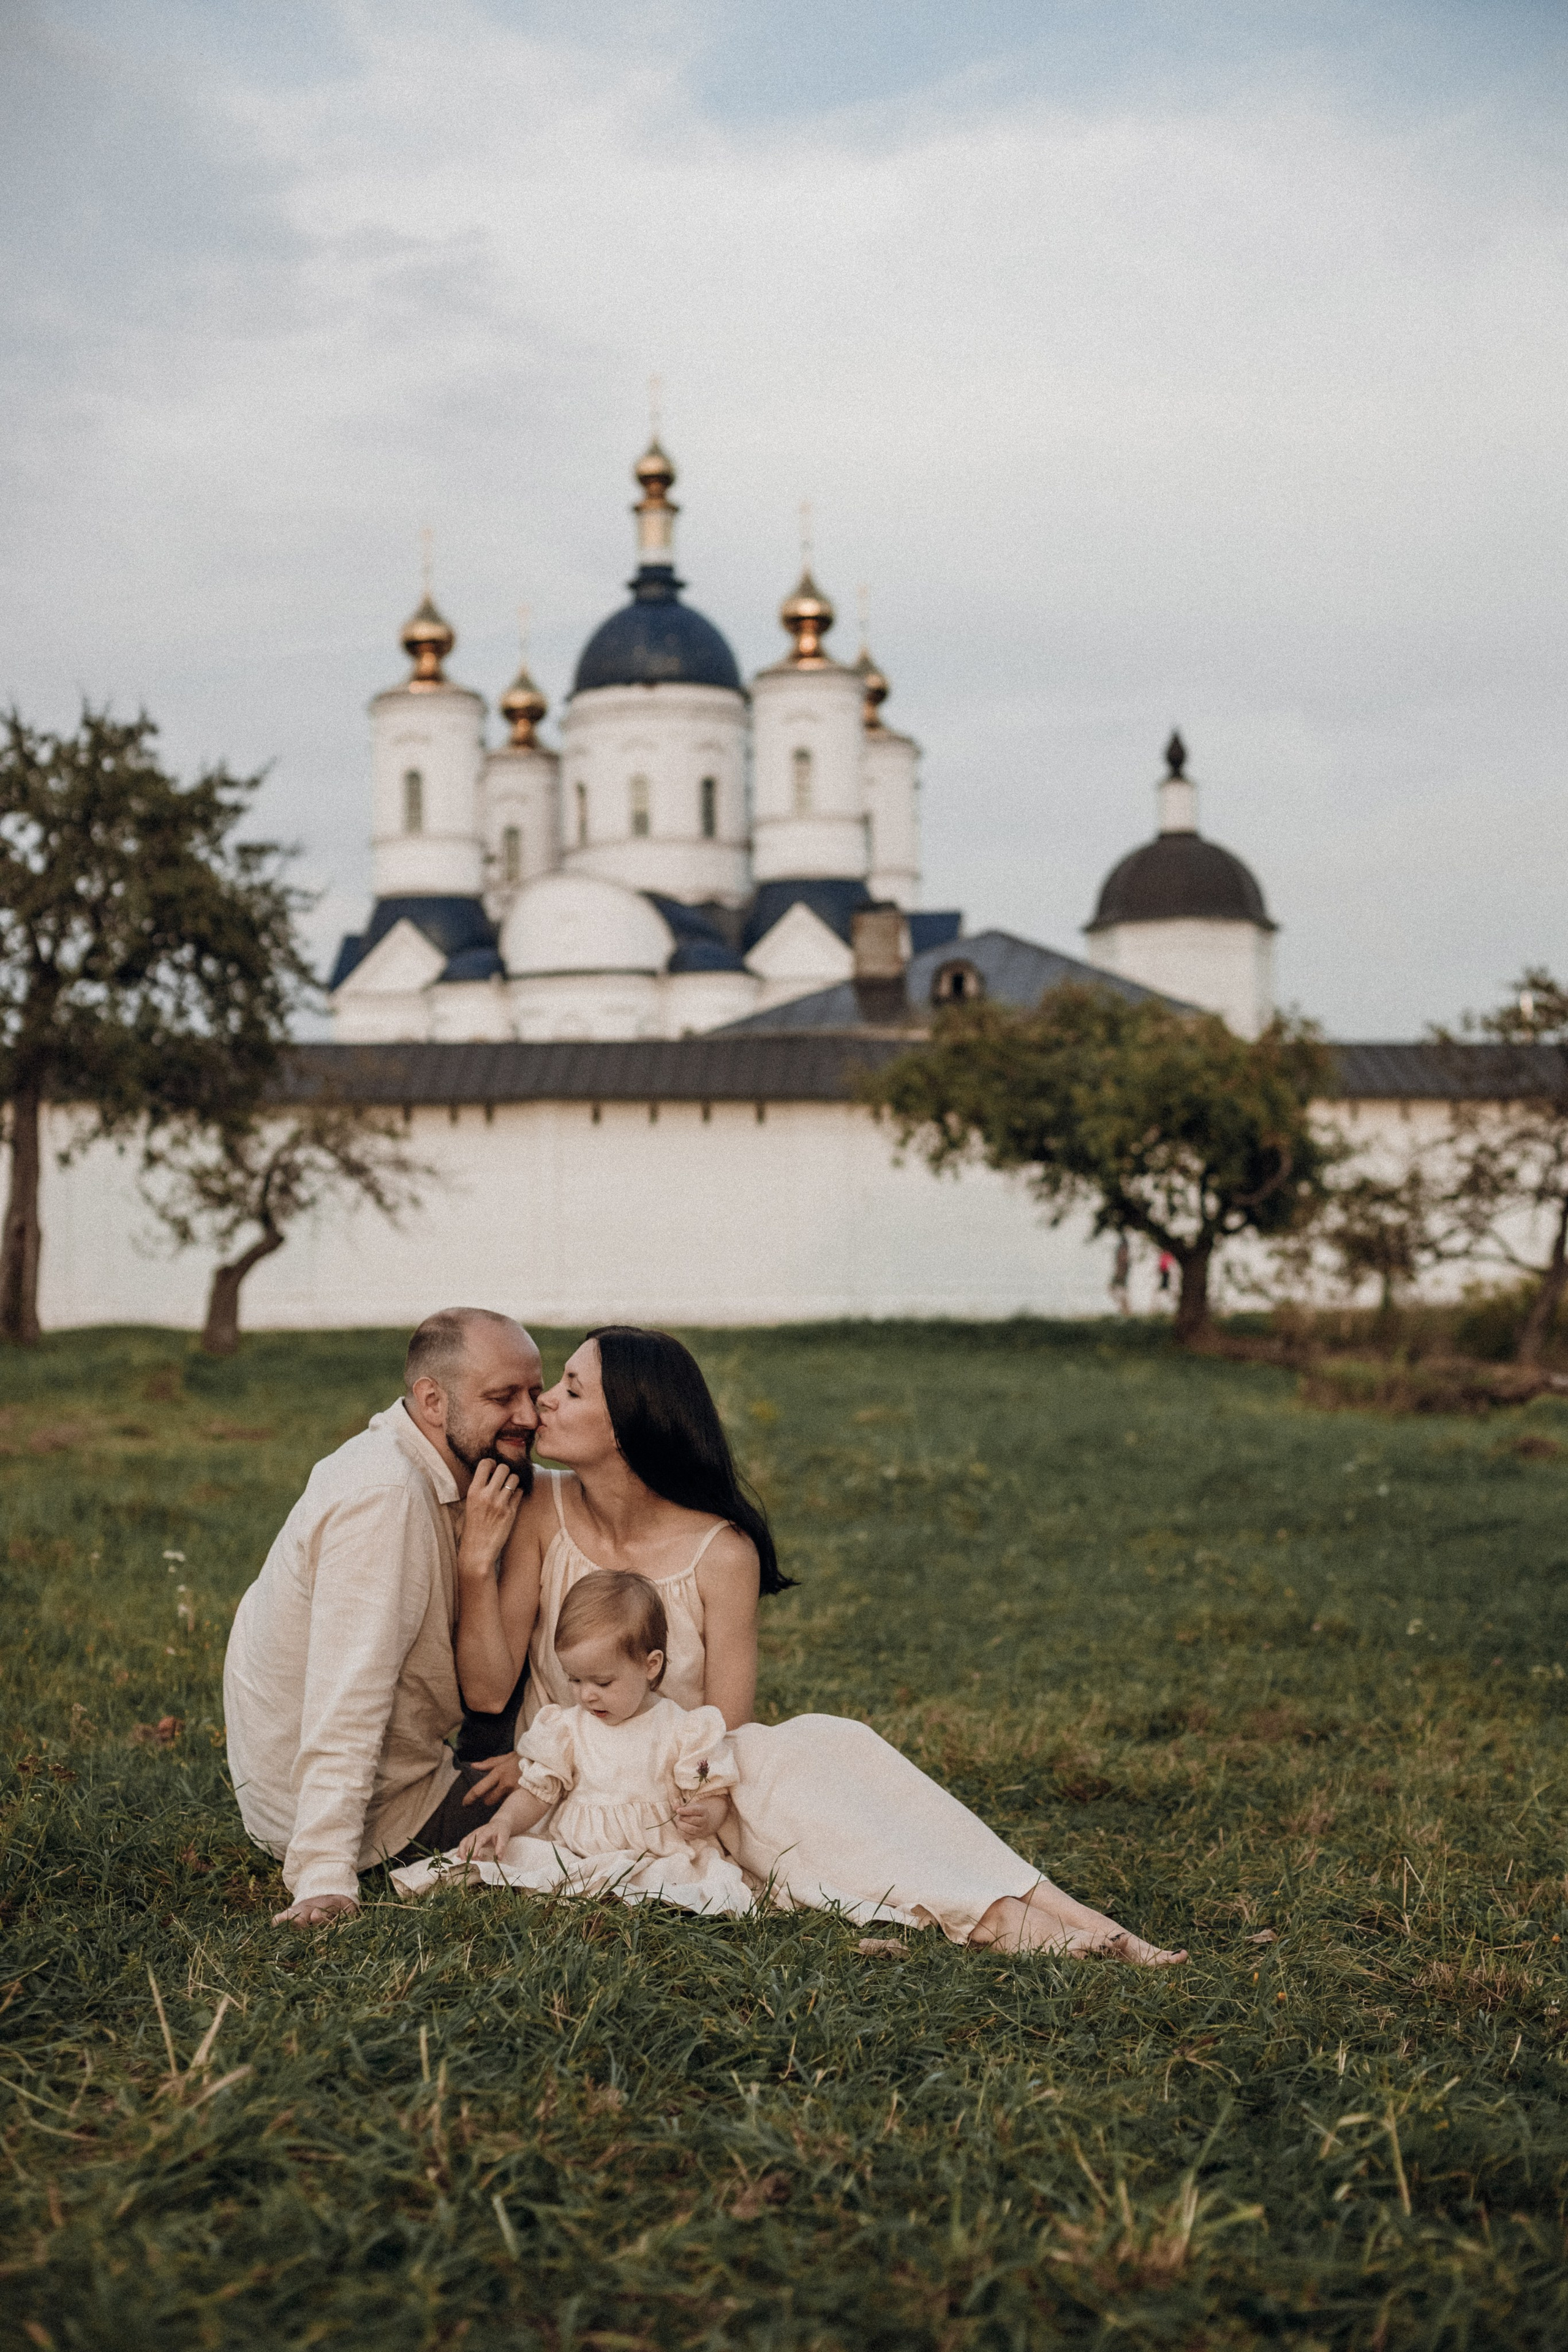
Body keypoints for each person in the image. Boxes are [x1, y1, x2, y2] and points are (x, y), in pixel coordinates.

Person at [450, 1325, 1186, 1961]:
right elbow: (486, 1690)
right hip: (587, 1786)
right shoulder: (539, 1506)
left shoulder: (722, 1552)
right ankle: (1027, 1927)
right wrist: (479, 1566)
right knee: (839, 1832)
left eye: (571, 1391)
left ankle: (1075, 1917)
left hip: (694, 1783)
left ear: (629, 1425)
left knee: (836, 1752)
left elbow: (726, 1728)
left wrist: (693, 1784)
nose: (543, 1401)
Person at [223, 1306, 543, 1928]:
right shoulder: (384, 1496)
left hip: (401, 1773)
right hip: (371, 1820)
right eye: (504, 1397)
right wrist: (322, 1874)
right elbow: (349, 1694)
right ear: (432, 1401)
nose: (528, 1416)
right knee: (612, 1801)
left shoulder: (445, 1467)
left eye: (535, 1392)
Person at [393, 1569, 750, 1915]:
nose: (587, 1695)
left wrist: (706, 1817)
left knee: (674, 1878)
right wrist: (502, 1822)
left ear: (651, 1665)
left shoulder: (682, 1728)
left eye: (603, 1683)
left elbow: (711, 1792)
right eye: (575, 1680)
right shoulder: (567, 1729)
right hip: (576, 1849)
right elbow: (538, 1792)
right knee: (524, 1857)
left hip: (656, 1850)